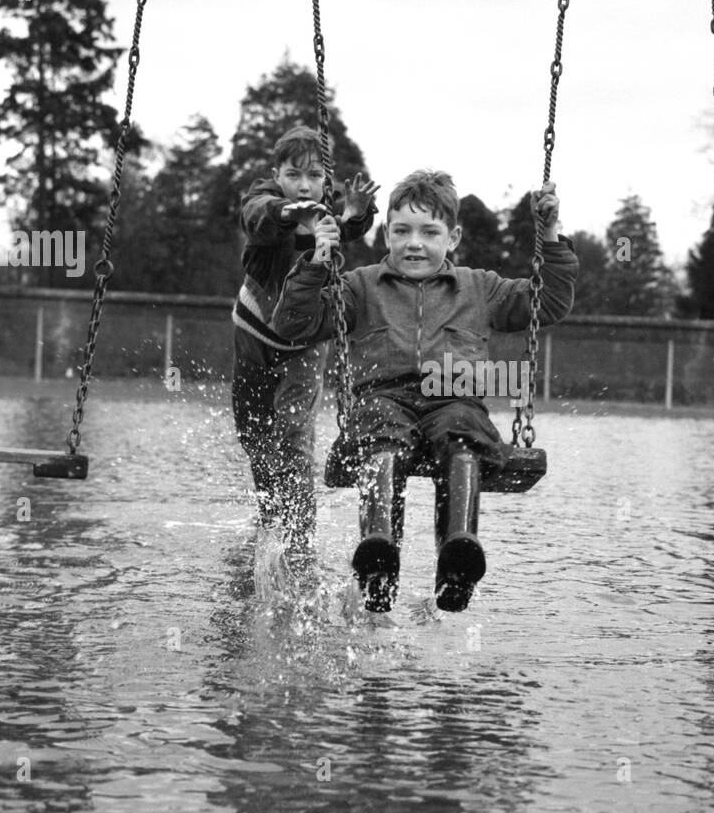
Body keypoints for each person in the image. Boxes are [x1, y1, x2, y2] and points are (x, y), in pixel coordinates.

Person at [270, 168, 577, 613]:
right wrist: (317, 262)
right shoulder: (359, 287)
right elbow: (292, 323)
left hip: (453, 397)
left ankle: (457, 558)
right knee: (381, 430)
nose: (415, 242)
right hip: (383, 398)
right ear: (386, 236)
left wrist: (549, 236)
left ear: (452, 237)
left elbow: (546, 303)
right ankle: (378, 559)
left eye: (429, 232)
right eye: (402, 231)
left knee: (462, 428)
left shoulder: (479, 287)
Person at [231, 125, 378, 570]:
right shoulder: (264, 201)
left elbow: (346, 230)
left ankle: (299, 539)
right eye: (293, 174)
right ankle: (269, 509)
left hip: (305, 344)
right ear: (277, 174)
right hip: (255, 335)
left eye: (314, 176)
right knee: (254, 433)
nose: (304, 183)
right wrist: (299, 210)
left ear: (325, 181)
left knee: (294, 435)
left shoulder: (326, 216)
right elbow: (260, 216)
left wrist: (354, 215)